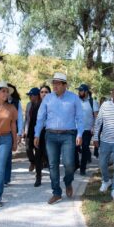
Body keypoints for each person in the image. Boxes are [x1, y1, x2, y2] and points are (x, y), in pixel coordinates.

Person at [34, 72, 84, 205]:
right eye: (53, 83)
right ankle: (56, 192)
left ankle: (68, 182)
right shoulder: (48, 98)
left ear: (64, 85)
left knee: (69, 163)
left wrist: (79, 134)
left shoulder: (74, 98)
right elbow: (40, 118)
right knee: (52, 165)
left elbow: (80, 118)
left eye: (57, 83)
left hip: (68, 135)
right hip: (50, 135)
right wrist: (37, 134)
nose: (54, 86)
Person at [23, 87, 46, 187]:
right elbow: (27, 119)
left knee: (38, 155)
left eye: (31, 95)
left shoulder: (43, 105)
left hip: (40, 133)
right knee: (28, 149)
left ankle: (38, 177)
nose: (29, 97)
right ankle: (33, 162)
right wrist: (25, 130)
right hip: (30, 132)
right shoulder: (30, 105)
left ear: (36, 96)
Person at [76, 84, 99, 176]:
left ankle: (83, 168)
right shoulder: (76, 101)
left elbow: (96, 117)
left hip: (87, 130)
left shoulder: (93, 102)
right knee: (75, 148)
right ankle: (76, 164)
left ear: (86, 91)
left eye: (81, 90)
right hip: (75, 129)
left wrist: (94, 128)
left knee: (85, 148)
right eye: (79, 90)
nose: (79, 92)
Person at [4, 83, 23, 185]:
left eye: (7, 90)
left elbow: (20, 118)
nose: (6, 93)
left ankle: (6, 179)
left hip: (12, 131)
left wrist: (19, 133)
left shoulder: (16, 102)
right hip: (0, 131)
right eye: (4, 90)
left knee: (7, 156)